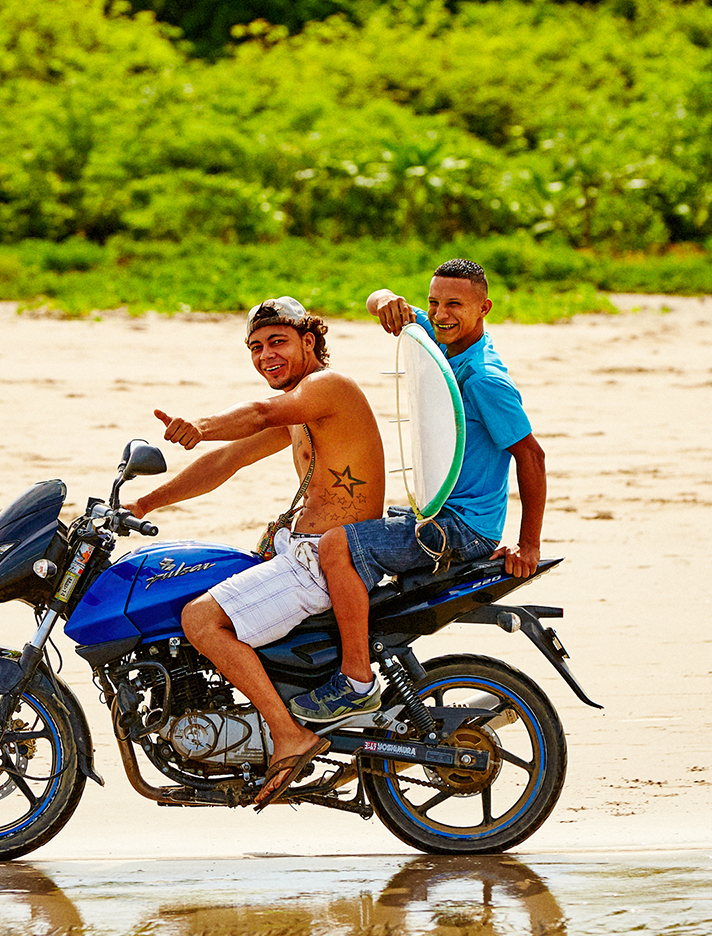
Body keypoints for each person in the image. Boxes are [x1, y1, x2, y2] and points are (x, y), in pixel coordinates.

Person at [123, 296, 386, 809]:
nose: (266, 354)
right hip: (297, 551)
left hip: (319, 561)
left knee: (200, 620)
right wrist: (144, 502)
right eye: (256, 346)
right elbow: (227, 461)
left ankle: (288, 734)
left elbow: (257, 412)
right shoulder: (300, 409)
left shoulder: (328, 389)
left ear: (309, 342)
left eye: (278, 342)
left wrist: (199, 425)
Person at [294, 260, 547, 721]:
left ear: (483, 308)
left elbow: (532, 457)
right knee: (331, 522)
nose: (441, 312)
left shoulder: (485, 379)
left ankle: (355, 681)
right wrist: (386, 297)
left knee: (335, 547)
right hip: (431, 508)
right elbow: (377, 301)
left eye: (454, 304)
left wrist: (529, 545)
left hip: (460, 527)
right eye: (433, 302)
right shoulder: (438, 335)